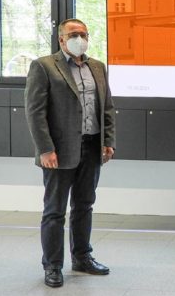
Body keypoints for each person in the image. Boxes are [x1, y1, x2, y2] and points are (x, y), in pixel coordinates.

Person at [25, 19, 116, 288]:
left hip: (92, 146)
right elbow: (35, 112)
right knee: (54, 210)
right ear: (61, 39)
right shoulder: (44, 66)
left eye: (84, 34)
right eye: (74, 34)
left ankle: (82, 257)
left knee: (84, 205)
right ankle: (53, 265)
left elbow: (106, 107)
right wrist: (45, 148)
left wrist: (108, 140)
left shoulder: (97, 66)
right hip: (58, 150)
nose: (80, 38)